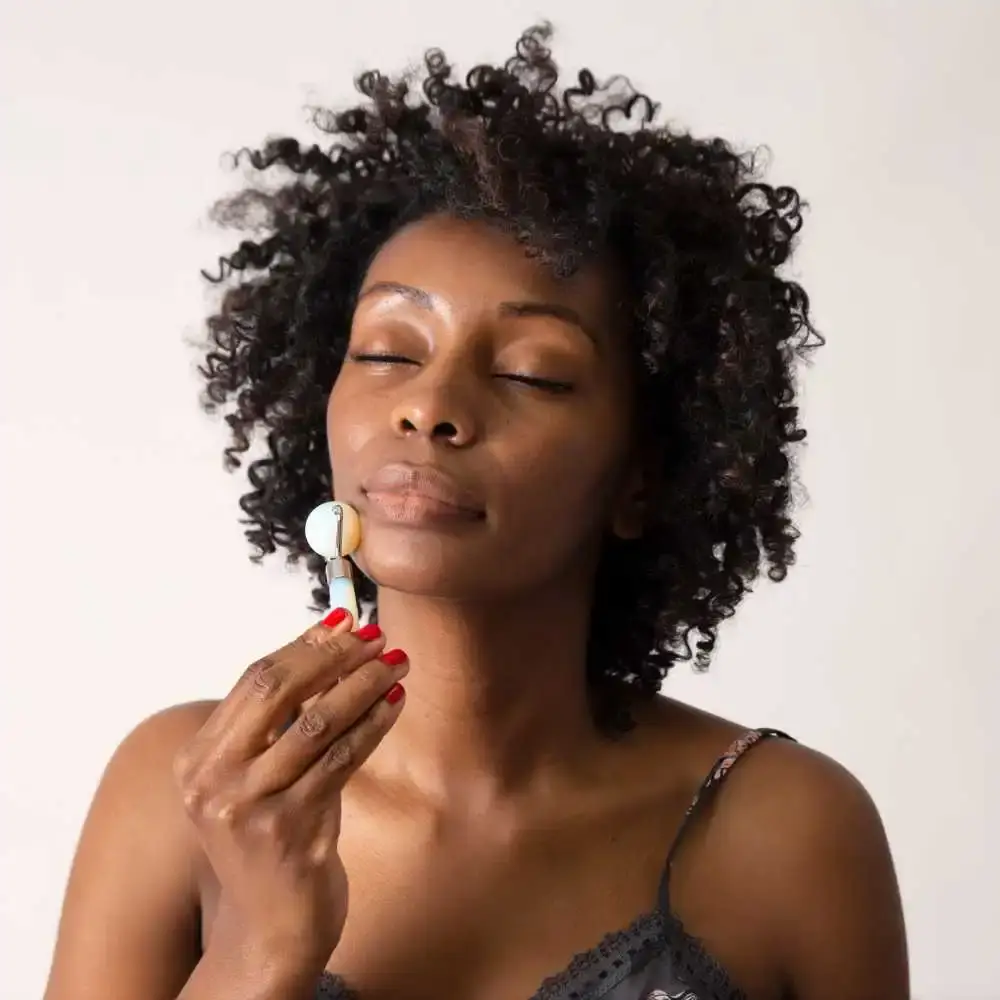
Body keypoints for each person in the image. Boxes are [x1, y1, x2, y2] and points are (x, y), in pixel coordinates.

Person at [42, 24, 909, 1000]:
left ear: (642, 476)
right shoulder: (182, 791)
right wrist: (259, 947)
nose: (430, 405)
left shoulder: (787, 832)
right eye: (386, 353)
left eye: (531, 372)